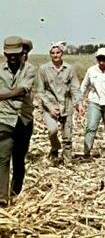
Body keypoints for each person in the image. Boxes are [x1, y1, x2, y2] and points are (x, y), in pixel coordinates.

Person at [0, 36, 37, 206]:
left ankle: (15, 192)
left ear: (22, 53)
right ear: (5, 54)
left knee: (19, 159)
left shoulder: (29, 69)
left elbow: (23, 89)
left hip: (24, 120)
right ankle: (2, 197)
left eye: (16, 54)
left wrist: (2, 96)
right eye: (9, 54)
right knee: (3, 157)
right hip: (4, 118)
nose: (12, 57)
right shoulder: (0, 70)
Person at [36, 42, 83, 164]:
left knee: (67, 137)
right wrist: (50, 107)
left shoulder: (69, 68)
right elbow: (40, 91)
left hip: (66, 106)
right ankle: (55, 146)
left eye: (58, 53)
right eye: (53, 53)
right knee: (52, 131)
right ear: (50, 54)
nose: (55, 55)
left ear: (62, 53)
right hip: (50, 105)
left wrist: (79, 102)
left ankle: (67, 161)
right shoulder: (43, 69)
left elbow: (75, 88)